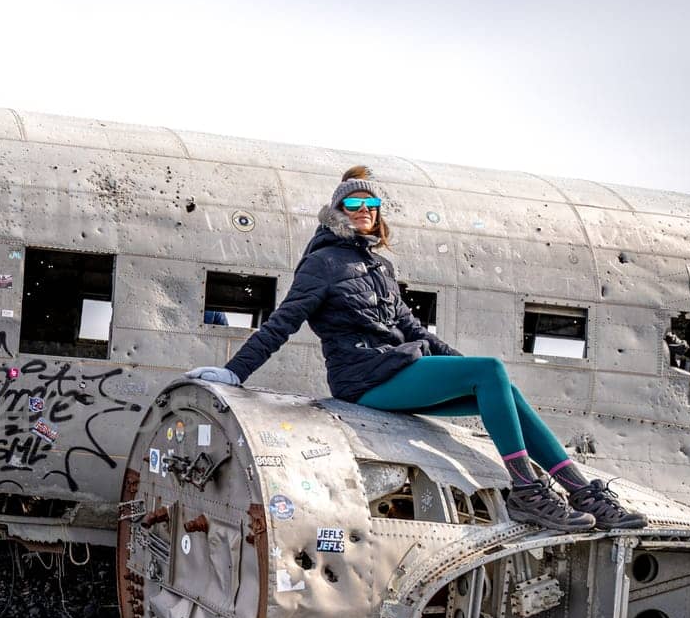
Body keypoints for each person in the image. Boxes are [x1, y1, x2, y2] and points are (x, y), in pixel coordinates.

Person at [187, 165, 644, 532]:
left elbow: (412, 328)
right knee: (490, 372)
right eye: (353, 202)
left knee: (501, 388)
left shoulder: (380, 266)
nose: (363, 208)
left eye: (370, 202)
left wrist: (464, 366)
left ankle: (581, 492)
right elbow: (283, 322)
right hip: (364, 380)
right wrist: (235, 372)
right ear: (337, 210)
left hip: (397, 368)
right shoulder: (321, 265)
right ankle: (527, 492)